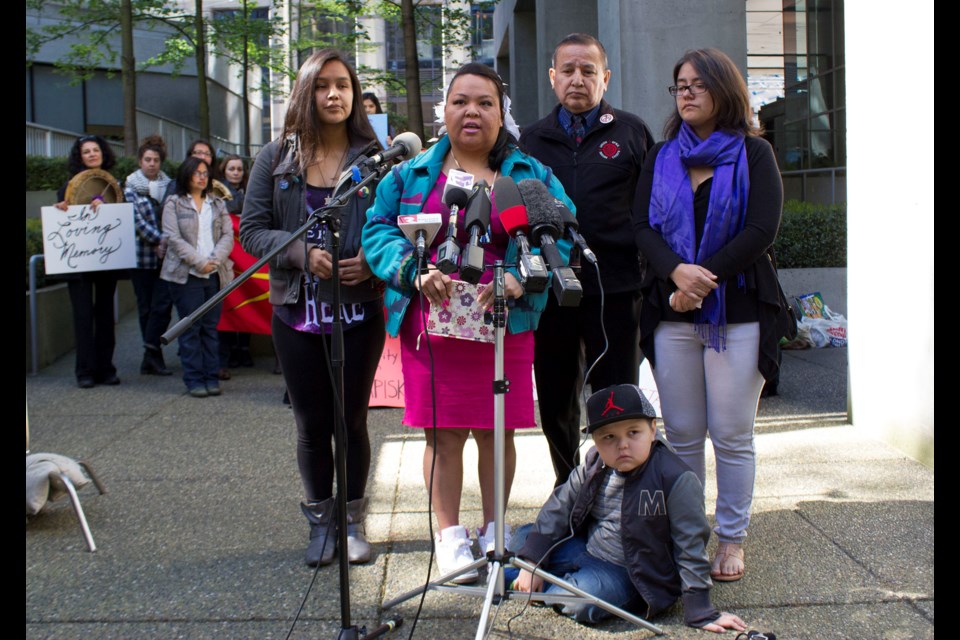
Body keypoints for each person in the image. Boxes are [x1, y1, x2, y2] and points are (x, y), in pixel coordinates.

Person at [362, 62, 576, 583]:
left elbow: (563, 235)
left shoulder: (530, 175)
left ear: (502, 114)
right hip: (432, 325)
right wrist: (413, 272)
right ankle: (450, 535)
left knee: (496, 429)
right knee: (443, 433)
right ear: (444, 112)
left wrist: (523, 278)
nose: (472, 112)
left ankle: (494, 530)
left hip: (505, 321)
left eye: (485, 102)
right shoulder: (411, 174)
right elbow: (377, 232)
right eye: (460, 101)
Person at [632, 48, 785, 582]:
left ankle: (732, 539)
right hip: (672, 314)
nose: (688, 92)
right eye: (680, 85)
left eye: (698, 83)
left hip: (737, 313)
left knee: (732, 433)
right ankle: (689, 536)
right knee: (683, 431)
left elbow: (761, 230)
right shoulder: (662, 155)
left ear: (724, 89)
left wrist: (701, 278)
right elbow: (642, 227)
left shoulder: (754, 153)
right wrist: (676, 273)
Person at [240, 49, 384, 568]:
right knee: (311, 421)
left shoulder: (375, 155)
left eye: (343, 84)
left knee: (352, 419)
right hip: (296, 313)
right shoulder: (275, 157)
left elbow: (397, 222)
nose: (334, 95)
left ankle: (352, 523)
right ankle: (321, 528)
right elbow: (251, 230)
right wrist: (301, 253)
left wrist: (372, 260)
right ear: (306, 91)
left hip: (360, 313)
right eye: (322, 85)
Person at [520, 33, 655, 487]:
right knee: (556, 398)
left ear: (605, 78)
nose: (578, 79)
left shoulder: (632, 133)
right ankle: (568, 486)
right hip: (551, 294)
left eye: (589, 71)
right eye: (569, 70)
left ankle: (618, 489)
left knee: (617, 396)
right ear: (553, 77)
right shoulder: (529, 141)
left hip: (615, 290)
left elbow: (653, 211)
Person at [506, 384, 747, 633]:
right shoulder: (593, 463)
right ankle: (528, 575)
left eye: (633, 433)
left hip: (634, 573)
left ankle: (527, 583)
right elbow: (559, 507)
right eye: (609, 437)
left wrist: (700, 608)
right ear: (595, 441)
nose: (622, 445)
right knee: (525, 537)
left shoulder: (674, 477)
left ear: (653, 430)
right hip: (588, 547)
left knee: (580, 602)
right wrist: (531, 561)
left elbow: (691, 545)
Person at [160, 156, 234, 398]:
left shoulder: (217, 203)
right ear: (186, 175)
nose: (202, 177)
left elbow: (227, 235)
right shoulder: (174, 203)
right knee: (190, 328)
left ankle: (211, 377)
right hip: (186, 275)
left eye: (205, 173)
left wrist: (214, 260)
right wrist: (199, 262)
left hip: (214, 273)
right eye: (197, 173)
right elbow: (173, 238)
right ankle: (194, 379)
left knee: (211, 329)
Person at [54, 134, 123, 389]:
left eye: (96, 150)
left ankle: (106, 368)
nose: (92, 154)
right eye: (87, 151)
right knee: (82, 316)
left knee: (106, 315)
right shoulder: (68, 186)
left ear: (103, 153)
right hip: (79, 263)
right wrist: (61, 209)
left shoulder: (112, 185)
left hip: (106, 260)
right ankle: (84, 370)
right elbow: (61, 218)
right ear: (79, 157)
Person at [123, 134, 175, 377]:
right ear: (140, 161)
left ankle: (151, 352)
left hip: (166, 257)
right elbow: (136, 221)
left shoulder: (170, 186)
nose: (151, 163)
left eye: (155, 160)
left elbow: (172, 216)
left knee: (162, 306)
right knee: (145, 308)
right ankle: (152, 356)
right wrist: (158, 239)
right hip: (141, 259)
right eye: (147, 159)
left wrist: (165, 241)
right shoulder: (130, 188)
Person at [216, 154, 254, 374]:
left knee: (248, 299)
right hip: (228, 257)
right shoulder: (217, 193)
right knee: (229, 304)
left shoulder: (250, 190)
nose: (236, 172)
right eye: (232, 168)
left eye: (239, 169)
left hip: (246, 257)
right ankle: (227, 352)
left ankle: (244, 349)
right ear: (224, 170)